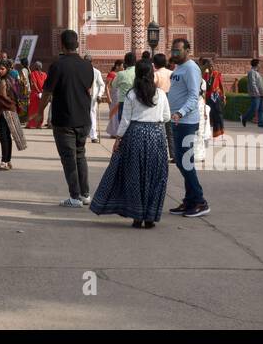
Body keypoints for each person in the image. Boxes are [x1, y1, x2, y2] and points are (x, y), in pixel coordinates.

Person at [90, 58, 170, 228]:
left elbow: (125, 121)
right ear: (151, 74)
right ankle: (150, 217)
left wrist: (118, 139)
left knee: (135, 176)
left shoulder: (132, 94)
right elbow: (166, 117)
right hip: (156, 136)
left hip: (135, 135)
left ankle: (137, 216)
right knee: (155, 176)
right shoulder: (160, 94)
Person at [41, 30, 95, 207]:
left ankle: (74, 197)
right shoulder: (88, 66)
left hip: (64, 119)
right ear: (77, 44)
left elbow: (47, 92)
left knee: (68, 159)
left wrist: (38, 112)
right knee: (80, 155)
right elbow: (88, 90)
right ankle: (85, 194)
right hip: (83, 119)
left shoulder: (58, 65)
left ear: (62, 45)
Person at [166, 38, 209, 217]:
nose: (174, 53)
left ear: (187, 50)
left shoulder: (191, 68)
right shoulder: (179, 68)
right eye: (173, 50)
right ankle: (190, 200)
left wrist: (181, 112)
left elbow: (194, 95)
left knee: (186, 163)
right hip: (177, 121)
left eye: (178, 51)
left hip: (186, 121)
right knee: (182, 162)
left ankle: (199, 201)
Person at [0, 59, 28, 169]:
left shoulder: (3, 81)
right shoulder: (11, 79)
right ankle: (8, 161)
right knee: (7, 137)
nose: (0, 71)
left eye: (2, 69)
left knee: (3, 137)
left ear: (7, 69)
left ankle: (4, 161)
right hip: (11, 110)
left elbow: (2, 97)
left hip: (4, 112)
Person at [201, 58, 225, 140]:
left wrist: (224, 96)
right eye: (209, 66)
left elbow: (221, 85)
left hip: (216, 96)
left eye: (212, 66)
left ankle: (220, 131)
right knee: (210, 114)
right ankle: (210, 133)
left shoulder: (217, 74)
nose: (210, 68)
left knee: (218, 113)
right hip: (208, 97)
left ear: (213, 66)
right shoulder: (205, 75)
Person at [242, 58, 263, 128]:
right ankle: (244, 117)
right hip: (256, 94)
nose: (260, 65)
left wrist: (262, 92)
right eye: (259, 64)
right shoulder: (252, 72)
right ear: (257, 64)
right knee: (254, 108)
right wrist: (257, 92)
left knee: (261, 108)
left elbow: (260, 83)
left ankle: (261, 123)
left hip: (261, 93)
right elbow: (252, 83)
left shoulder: (257, 72)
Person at [26, 60, 48, 127]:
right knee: (40, 109)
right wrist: (42, 92)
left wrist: (38, 91)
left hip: (35, 94)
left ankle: (31, 124)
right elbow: (46, 84)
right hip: (43, 94)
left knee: (33, 109)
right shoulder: (44, 74)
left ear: (35, 66)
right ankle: (39, 124)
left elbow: (34, 83)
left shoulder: (33, 73)